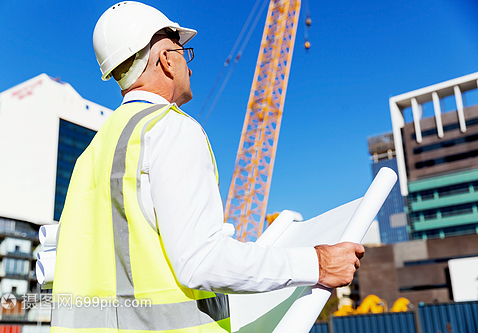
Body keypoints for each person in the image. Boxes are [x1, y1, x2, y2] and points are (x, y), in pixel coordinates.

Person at [50, 2, 365, 333]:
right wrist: (317, 264)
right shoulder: (169, 128)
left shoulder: (94, 152)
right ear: (166, 60)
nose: (188, 65)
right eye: (183, 53)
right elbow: (200, 261)